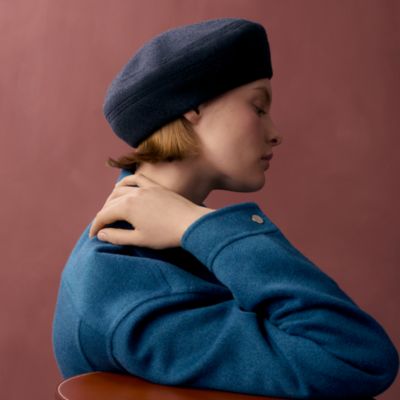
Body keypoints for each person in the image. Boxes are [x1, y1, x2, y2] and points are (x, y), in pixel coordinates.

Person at [52, 18, 399, 399]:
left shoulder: (152, 253)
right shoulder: (134, 291)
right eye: (258, 107)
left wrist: (194, 226)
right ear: (192, 108)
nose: (275, 133)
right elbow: (357, 357)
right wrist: (200, 225)